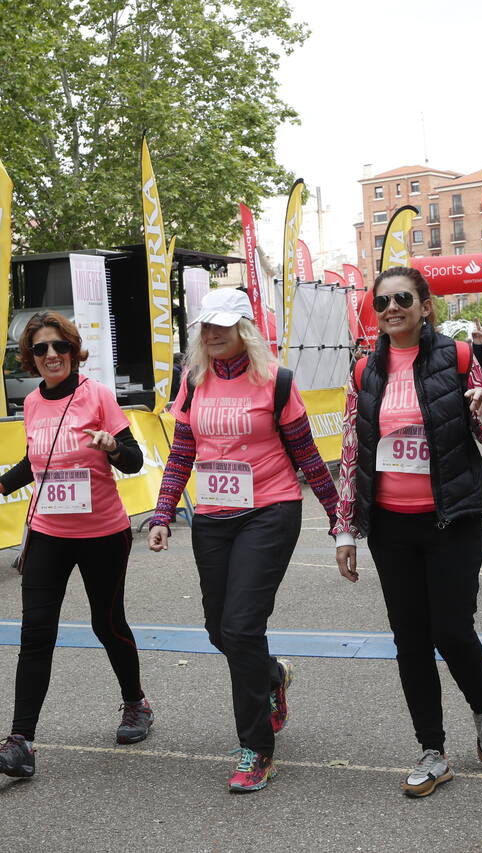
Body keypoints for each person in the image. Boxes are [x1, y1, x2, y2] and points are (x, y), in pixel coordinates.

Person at [147, 287, 337, 793]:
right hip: (212, 515)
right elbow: (182, 453)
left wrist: (339, 517)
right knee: (219, 630)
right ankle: (272, 677)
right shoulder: (193, 381)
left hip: (270, 511)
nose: (211, 334)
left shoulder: (276, 382)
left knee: (242, 626)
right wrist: (163, 513)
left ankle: (256, 749)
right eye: (205, 326)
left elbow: (308, 456)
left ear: (244, 329)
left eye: (221, 325)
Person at [332, 267, 482, 798]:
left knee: (451, 630)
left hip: (451, 519)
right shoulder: (364, 371)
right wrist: (345, 531)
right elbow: (351, 450)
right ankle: (432, 750)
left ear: (424, 305)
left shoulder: (457, 358)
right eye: (381, 302)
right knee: (409, 639)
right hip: (390, 525)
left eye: (402, 299)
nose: (391, 309)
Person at [0, 311, 151, 780]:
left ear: (73, 348)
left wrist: (112, 447)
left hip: (102, 533)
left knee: (108, 623)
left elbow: (134, 460)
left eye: (59, 346)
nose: (51, 355)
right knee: (35, 634)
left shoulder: (98, 396)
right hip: (48, 533)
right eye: (40, 349)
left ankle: (136, 703)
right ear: (31, 358)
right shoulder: (35, 405)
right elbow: (32, 463)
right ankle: (21, 742)